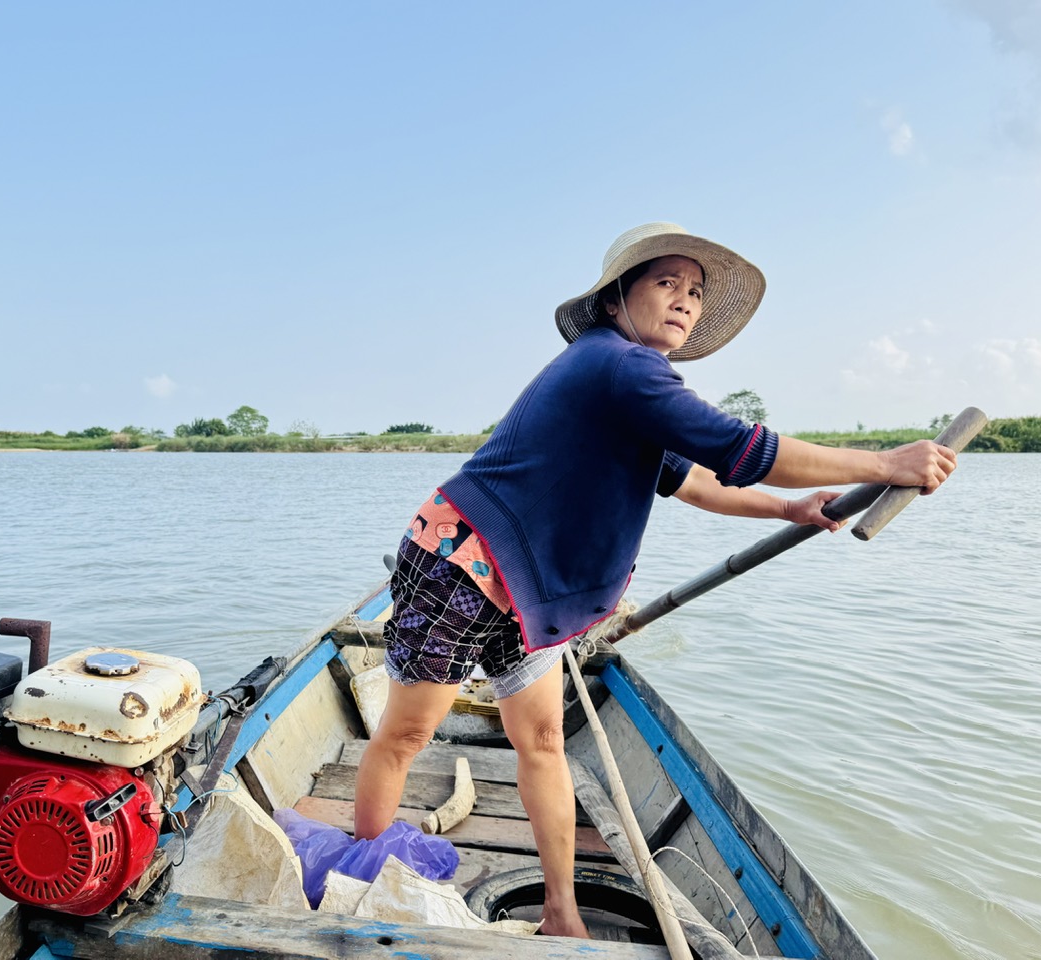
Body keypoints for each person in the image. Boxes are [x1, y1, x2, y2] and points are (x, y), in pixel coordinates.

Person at [352, 222, 957, 939]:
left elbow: (698, 481)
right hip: (465, 558)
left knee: (543, 740)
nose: (684, 301)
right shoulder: (616, 365)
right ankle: (363, 887)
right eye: (666, 282)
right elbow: (742, 448)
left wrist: (789, 508)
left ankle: (562, 915)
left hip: (535, 590)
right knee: (407, 735)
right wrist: (885, 464)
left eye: (695, 292)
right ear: (616, 300)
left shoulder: (636, 389)